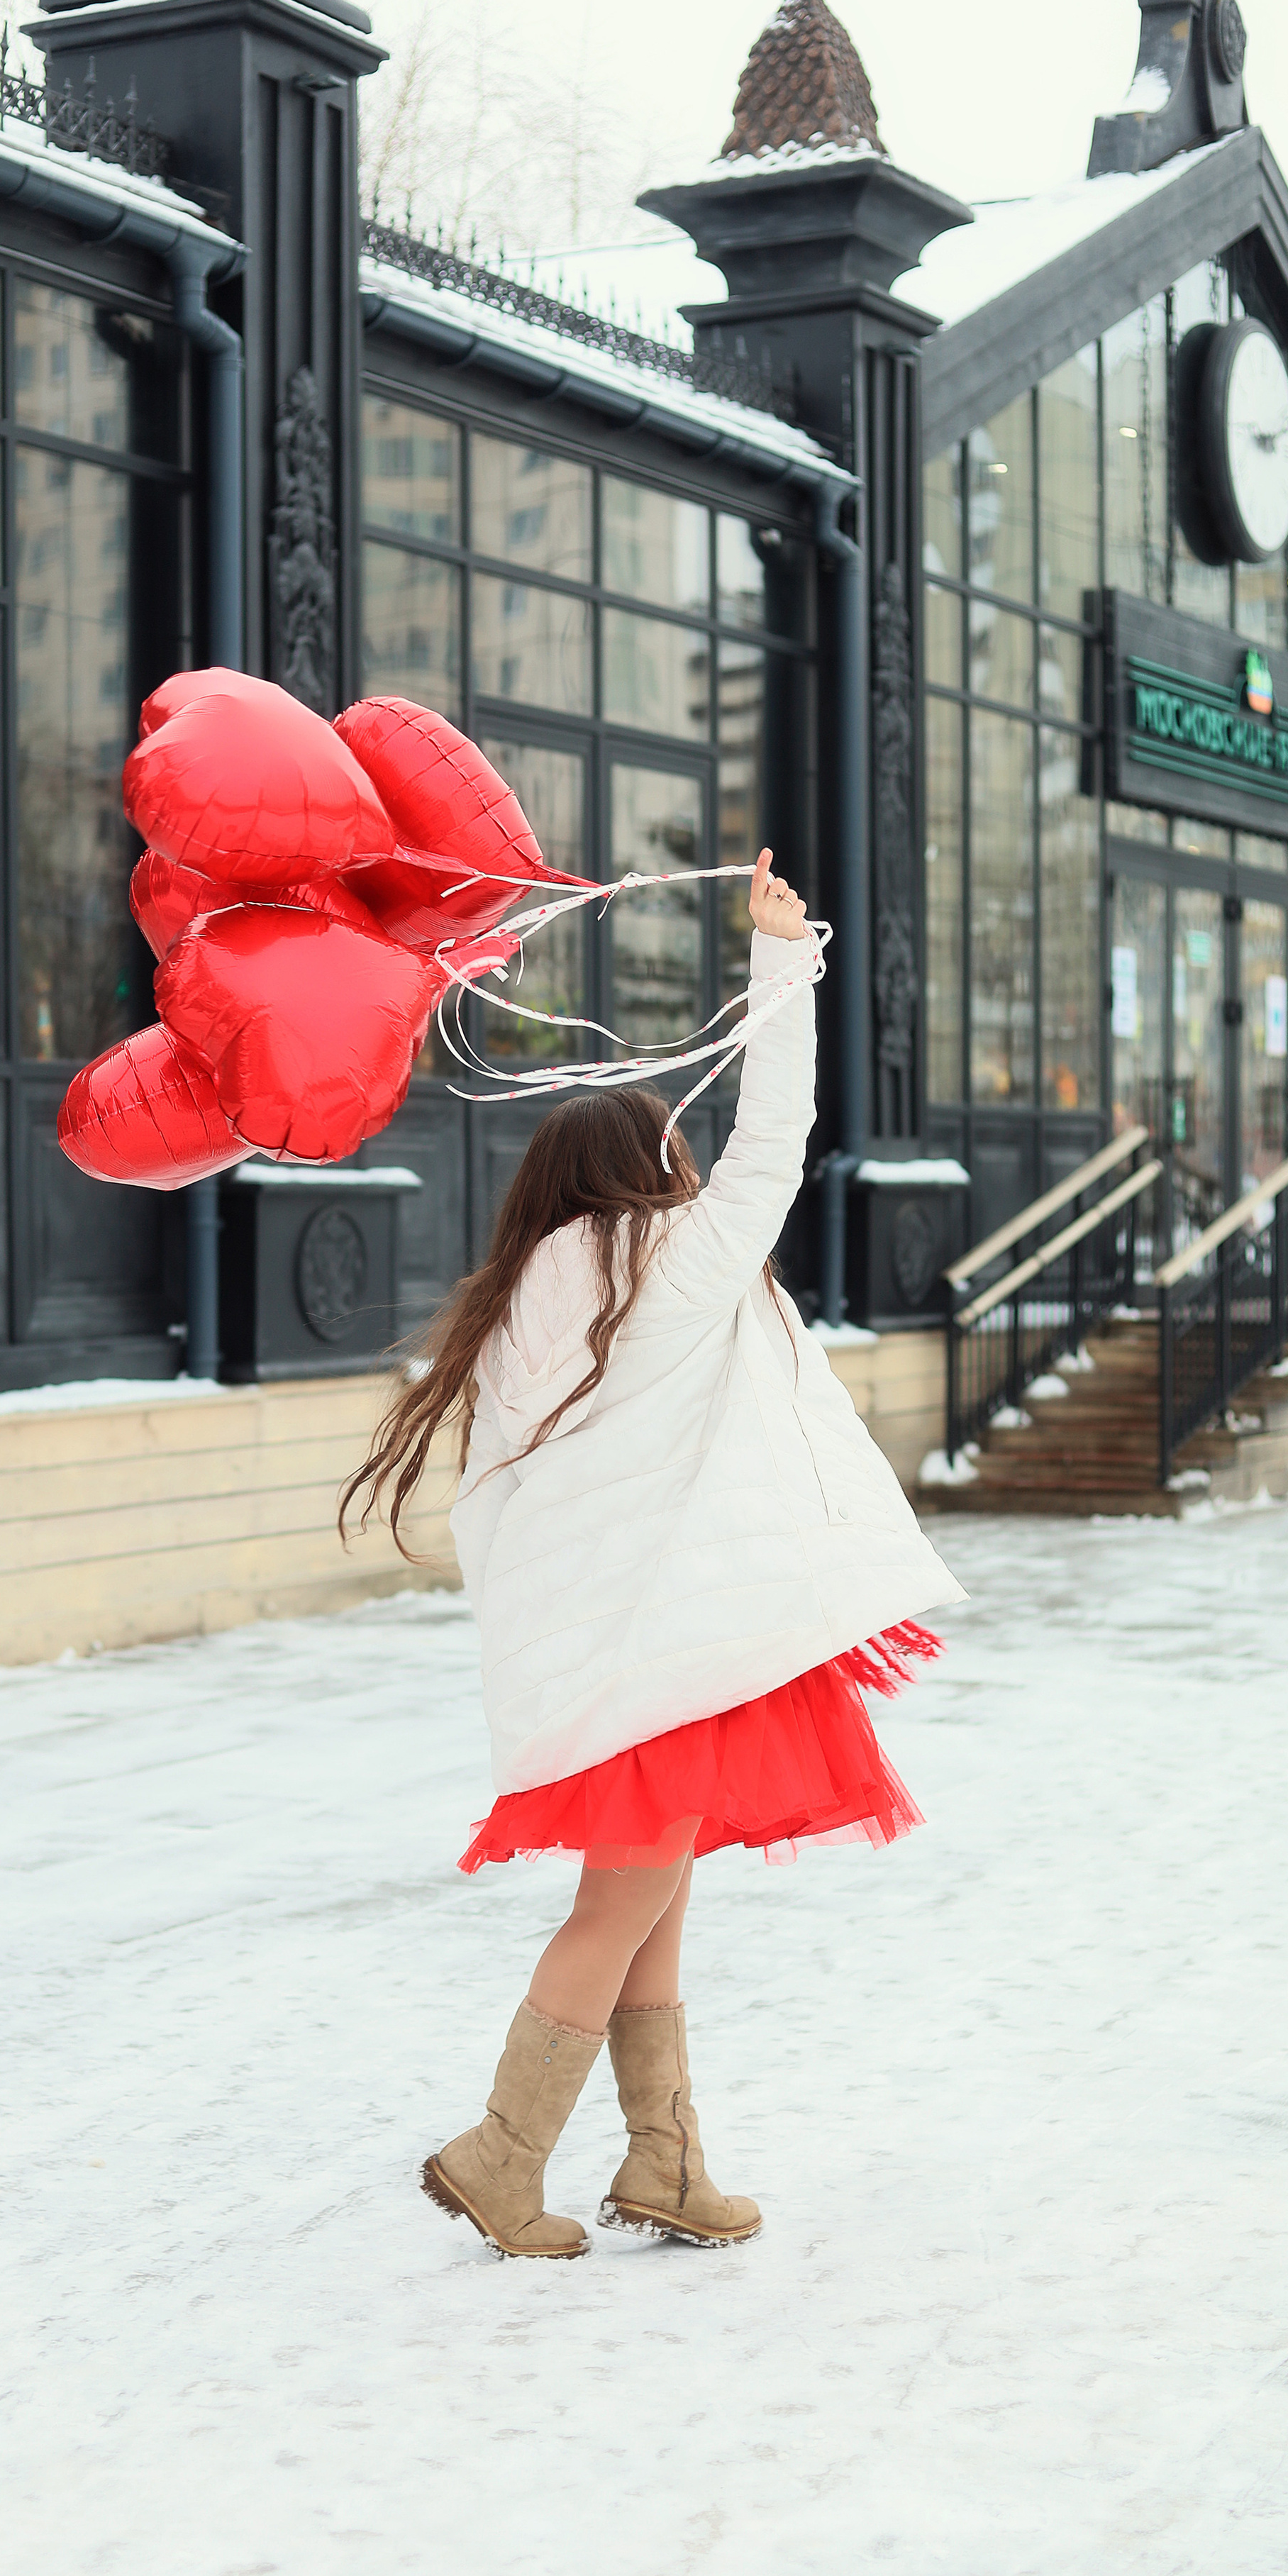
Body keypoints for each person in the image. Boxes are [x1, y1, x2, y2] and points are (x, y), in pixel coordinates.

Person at [340, 853, 964, 2258]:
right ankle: (500, 2158)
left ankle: (665, 2168)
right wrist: (782, 958)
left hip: (611, 1662)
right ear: (647, 1179)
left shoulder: (515, 1310)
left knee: (648, 1905)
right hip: (673, 1656)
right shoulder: (669, 1264)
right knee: (622, 1904)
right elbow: (776, 1136)